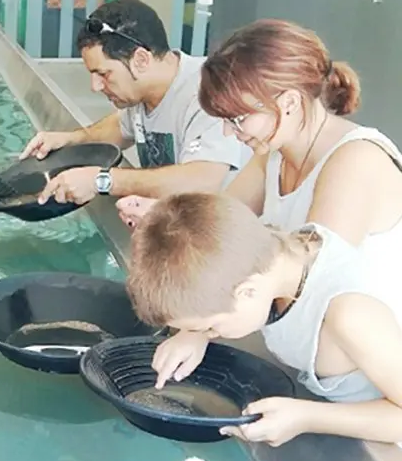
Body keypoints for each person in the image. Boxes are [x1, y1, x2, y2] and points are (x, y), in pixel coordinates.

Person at [117, 20, 402, 305]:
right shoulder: (273, 153)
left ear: (289, 102)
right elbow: (224, 222)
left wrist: (199, 327)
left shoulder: (356, 161)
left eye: (237, 119)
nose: (229, 132)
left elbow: (306, 272)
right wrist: (165, 215)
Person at [127, 193, 402, 447]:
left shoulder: (351, 315)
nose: (210, 332)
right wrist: (193, 334)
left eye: (211, 326)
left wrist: (308, 417)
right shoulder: (274, 253)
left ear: (248, 291)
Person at [18, 0, 250, 206]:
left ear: (141, 59)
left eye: (104, 74)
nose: (95, 86)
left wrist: (102, 181)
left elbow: (201, 180)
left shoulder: (209, 90)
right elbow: (119, 127)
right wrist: (71, 140)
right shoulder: (142, 95)